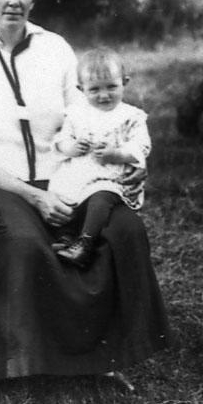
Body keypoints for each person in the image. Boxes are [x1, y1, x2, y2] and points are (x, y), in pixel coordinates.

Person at [0, 0, 169, 385]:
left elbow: (90, 118)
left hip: (67, 174)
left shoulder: (55, 48)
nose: (14, 0)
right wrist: (35, 196)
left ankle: (101, 355)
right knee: (25, 243)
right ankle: (4, 362)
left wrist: (129, 164)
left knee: (122, 230)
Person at [48, 47, 151, 269]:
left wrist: (117, 153)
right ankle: (66, 236)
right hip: (79, 172)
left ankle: (86, 243)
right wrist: (72, 147)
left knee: (100, 197)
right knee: (61, 194)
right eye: (94, 89)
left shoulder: (130, 116)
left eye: (111, 87)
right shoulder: (76, 113)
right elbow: (62, 139)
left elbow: (141, 146)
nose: (104, 95)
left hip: (110, 175)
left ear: (124, 82)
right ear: (81, 89)